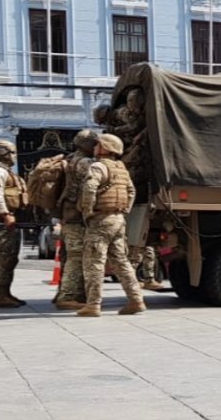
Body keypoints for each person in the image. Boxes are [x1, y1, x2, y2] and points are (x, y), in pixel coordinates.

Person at [77, 133, 145, 317]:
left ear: (105, 148)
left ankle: (93, 305)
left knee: (94, 262)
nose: (95, 147)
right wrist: (124, 211)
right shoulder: (121, 168)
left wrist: (88, 210)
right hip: (118, 220)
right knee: (121, 261)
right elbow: (131, 191)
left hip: (101, 220)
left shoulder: (98, 166)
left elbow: (90, 188)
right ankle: (136, 299)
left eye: (98, 144)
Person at [55, 129, 98, 311]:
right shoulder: (85, 162)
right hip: (76, 216)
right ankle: (68, 296)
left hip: (68, 214)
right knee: (77, 255)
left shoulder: (71, 158)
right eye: (94, 143)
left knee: (68, 254)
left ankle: (66, 292)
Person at [0, 140, 28, 308]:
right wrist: (5, 214)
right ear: (5, 153)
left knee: (10, 259)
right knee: (4, 259)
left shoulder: (7, 172)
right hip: (3, 221)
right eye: (12, 152)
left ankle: (6, 293)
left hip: (8, 219)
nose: (15, 156)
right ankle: (1, 295)